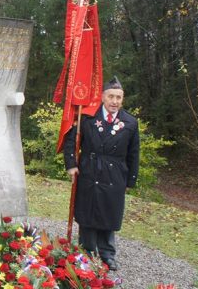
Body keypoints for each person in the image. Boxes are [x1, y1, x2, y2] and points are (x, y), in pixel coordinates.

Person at [64, 76, 140, 271]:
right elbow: (71, 141)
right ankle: (86, 252)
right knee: (88, 212)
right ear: (102, 96)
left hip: (115, 176)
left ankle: (107, 254)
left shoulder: (130, 122)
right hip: (89, 171)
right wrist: (71, 164)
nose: (115, 101)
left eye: (119, 98)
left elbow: (134, 153)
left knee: (109, 212)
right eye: (111, 96)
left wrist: (131, 179)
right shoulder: (87, 117)